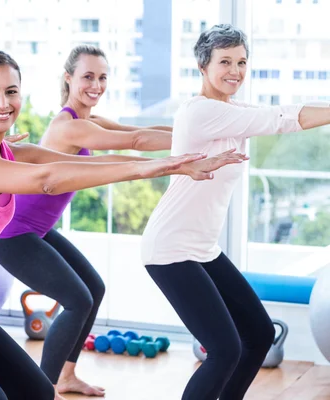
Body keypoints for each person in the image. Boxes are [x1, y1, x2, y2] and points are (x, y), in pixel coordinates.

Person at [0, 48, 246, 400]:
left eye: (11, 92)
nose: (2, 103)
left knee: (37, 393)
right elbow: (46, 180)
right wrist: (157, 166)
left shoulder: (13, 151)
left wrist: (174, 161)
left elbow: (85, 163)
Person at [141, 24, 330, 400]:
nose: (235, 71)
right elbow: (280, 118)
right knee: (224, 349)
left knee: (258, 335)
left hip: (203, 248)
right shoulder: (201, 111)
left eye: (241, 62)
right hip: (170, 249)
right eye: (225, 61)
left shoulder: (231, 110)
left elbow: (277, 114)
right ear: (202, 65)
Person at [0, 44, 181, 397]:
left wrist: (191, 131)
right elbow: (135, 141)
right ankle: (40, 390)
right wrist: (190, 147)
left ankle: (66, 376)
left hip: (37, 230)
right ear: (69, 78)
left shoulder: (86, 120)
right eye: (88, 76)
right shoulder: (68, 127)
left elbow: (136, 129)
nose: (96, 84)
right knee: (78, 299)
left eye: (102, 77)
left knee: (93, 289)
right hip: (13, 234)